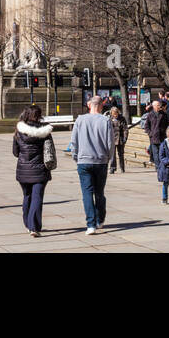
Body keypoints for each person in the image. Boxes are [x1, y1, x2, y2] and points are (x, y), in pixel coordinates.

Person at [69, 94, 115, 234]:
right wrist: (109, 158)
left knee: (87, 193)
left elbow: (74, 141)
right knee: (99, 192)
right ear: (101, 106)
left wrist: (75, 156)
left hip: (84, 161)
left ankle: (91, 224)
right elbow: (110, 143)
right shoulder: (105, 120)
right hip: (101, 160)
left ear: (89, 105)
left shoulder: (80, 120)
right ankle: (100, 219)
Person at [13, 105, 54, 236]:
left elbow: (15, 152)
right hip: (40, 170)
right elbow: (49, 151)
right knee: (37, 198)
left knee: (27, 196)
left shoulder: (19, 131)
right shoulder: (45, 132)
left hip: (23, 170)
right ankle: (34, 227)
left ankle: (28, 223)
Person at [144, 99, 168, 168]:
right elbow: (146, 126)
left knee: (161, 153)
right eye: (157, 105)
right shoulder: (150, 114)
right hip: (153, 138)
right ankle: (158, 167)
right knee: (155, 154)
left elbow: (166, 123)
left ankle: (161, 166)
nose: (159, 106)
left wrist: (163, 131)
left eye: (159, 105)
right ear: (154, 106)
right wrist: (150, 133)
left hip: (162, 137)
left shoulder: (163, 114)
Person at [109, 106, 128, 174]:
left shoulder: (122, 119)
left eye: (116, 114)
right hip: (112, 139)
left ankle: (122, 168)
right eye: (113, 114)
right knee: (112, 155)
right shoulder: (109, 119)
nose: (115, 115)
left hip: (120, 139)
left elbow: (125, 129)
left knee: (121, 154)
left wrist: (125, 138)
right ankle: (112, 168)